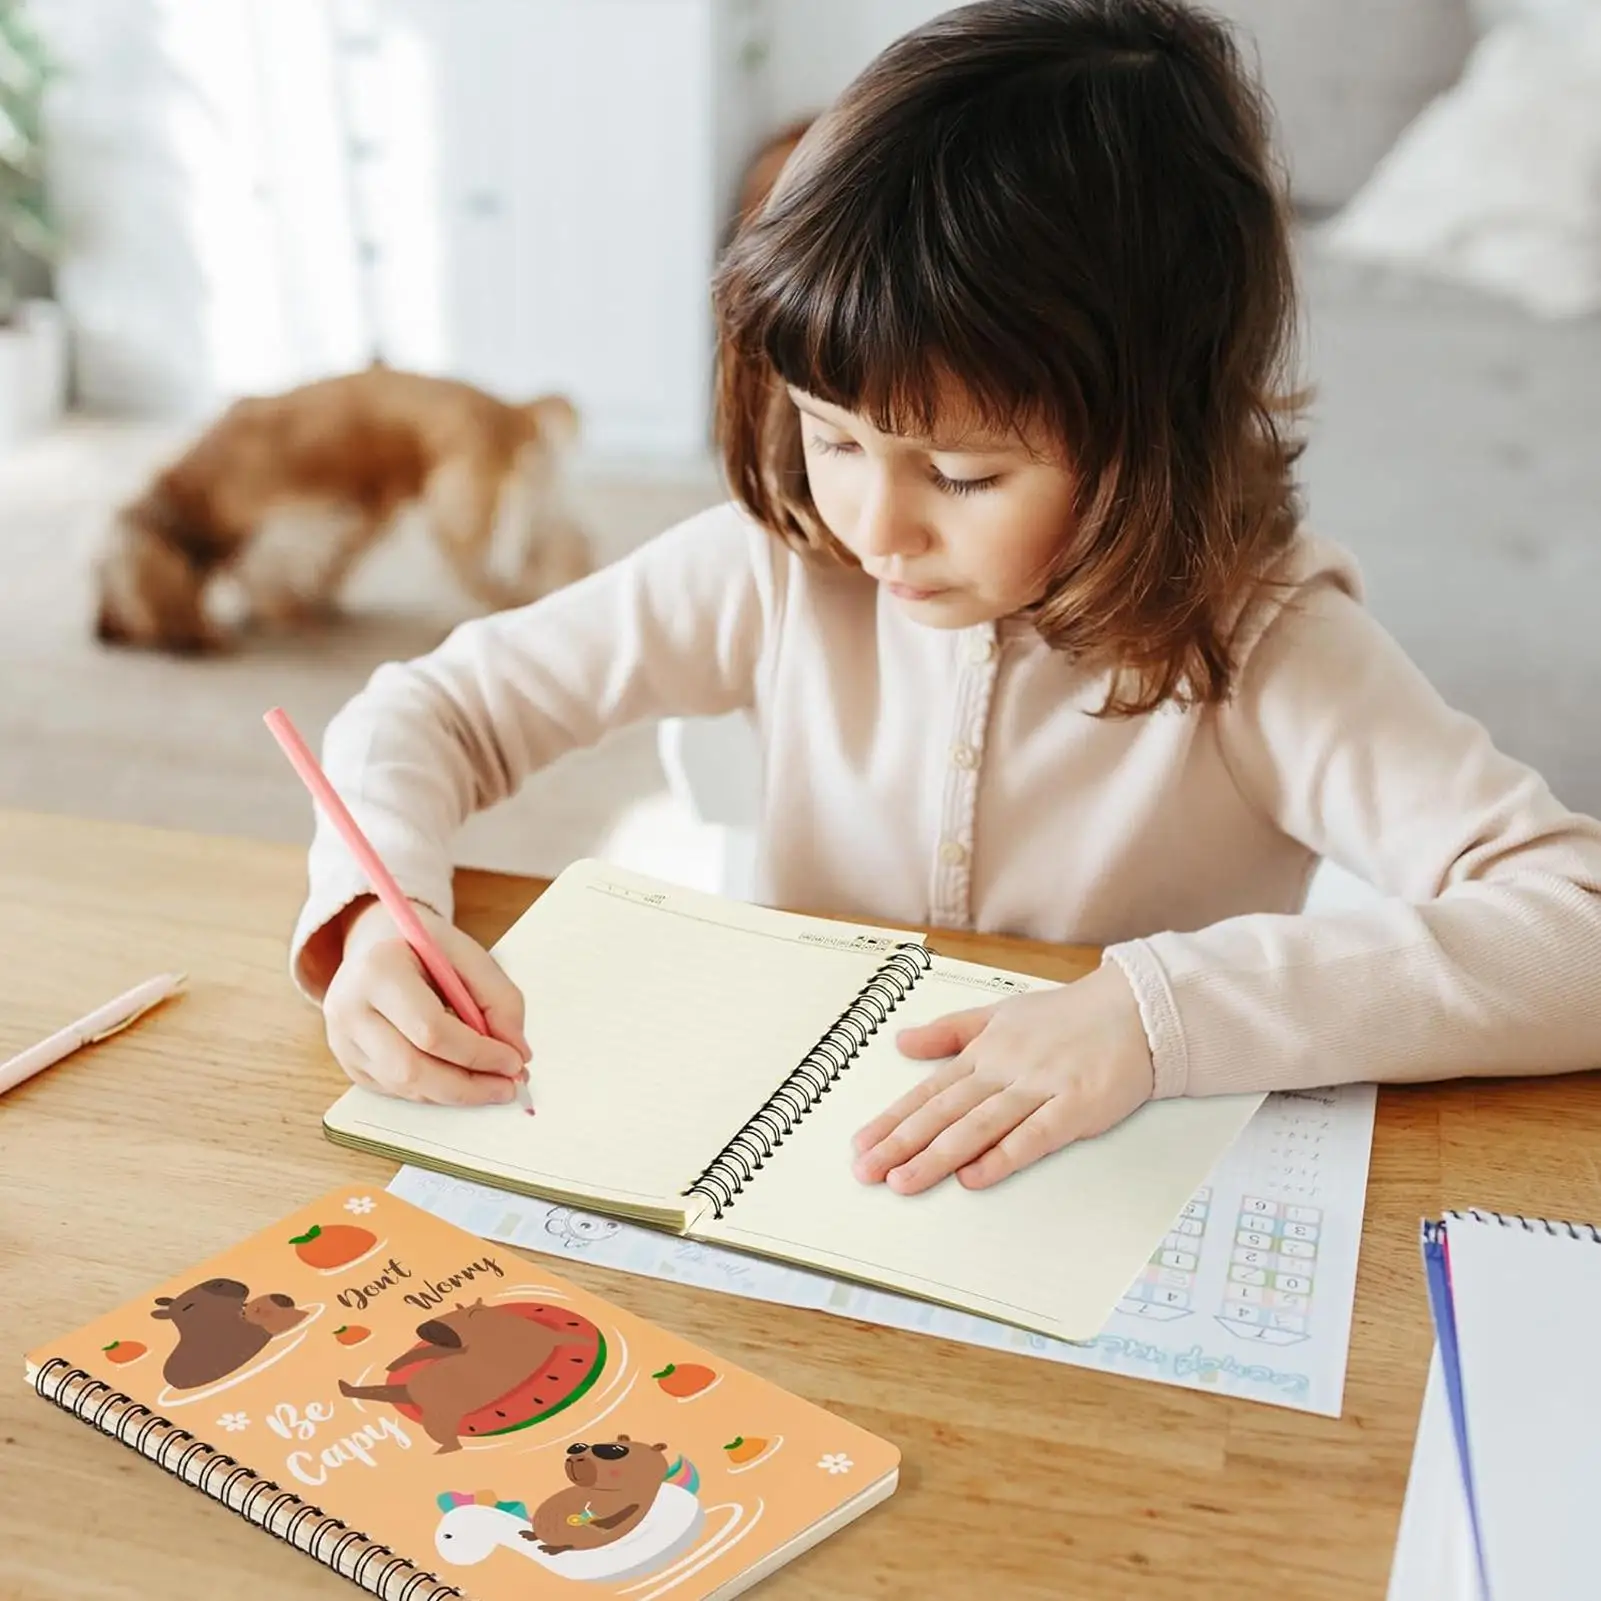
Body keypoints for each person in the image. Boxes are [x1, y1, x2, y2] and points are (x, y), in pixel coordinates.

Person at [289, 0, 1601, 1202]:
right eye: (833, 435)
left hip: (1103, 1203)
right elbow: (430, 712)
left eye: (964, 474)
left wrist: (1157, 1013)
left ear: (1155, 443)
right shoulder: (776, 565)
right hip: (802, 1185)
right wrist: (378, 917)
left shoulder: (1262, 646)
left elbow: (1577, 927)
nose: (875, 527)